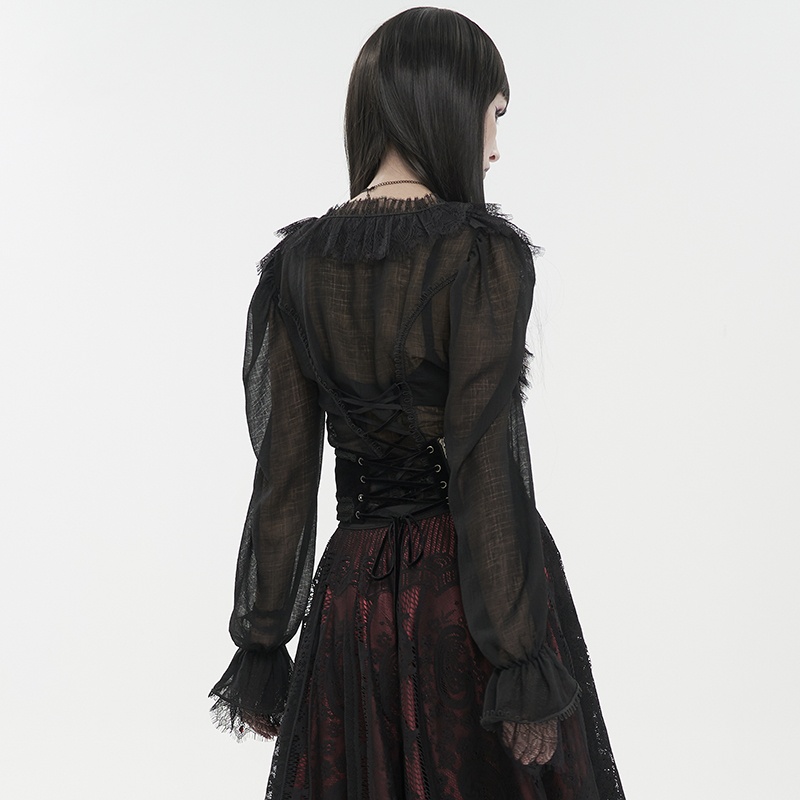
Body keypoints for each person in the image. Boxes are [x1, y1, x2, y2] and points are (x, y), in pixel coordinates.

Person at [209, 8, 625, 799]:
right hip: (464, 598)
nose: (495, 148)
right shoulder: (481, 255)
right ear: (446, 105)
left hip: (352, 600)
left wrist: (263, 639)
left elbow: (284, 474)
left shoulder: (294, 268)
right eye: (493, 114)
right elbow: (485, 457)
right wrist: (518, 653)